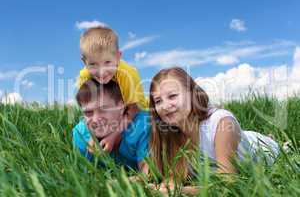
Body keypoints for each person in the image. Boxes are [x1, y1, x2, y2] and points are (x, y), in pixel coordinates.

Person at [148, 67, 279, 193]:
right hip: (232, 138)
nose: (164, 106)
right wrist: (166, 186)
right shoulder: (171, 133)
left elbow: (228, 184)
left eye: (172, 96)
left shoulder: (222, 123)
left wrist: (180, 192)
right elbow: (177, 175)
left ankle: (271, 139)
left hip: (262, 148)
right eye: (158, 101)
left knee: (263, 143)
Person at [77, 26, 148, 153]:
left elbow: (133, 109)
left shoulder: (128, 74)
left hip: (134, 112)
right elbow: (87, 108)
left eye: (107, 62)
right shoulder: (84, 76)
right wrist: (94, 137)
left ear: (118, 56)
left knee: (141, 127)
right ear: (84, 61)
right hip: (108, 113)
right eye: (93, 64)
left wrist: (113, 135)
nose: (101, 72)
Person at [72, 79, 149, 172]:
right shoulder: (80, 135)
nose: (95, 120)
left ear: (121, 107)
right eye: (88, 112)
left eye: (103, 109)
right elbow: (82, 176)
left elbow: (147, 176)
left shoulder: (143, 127)